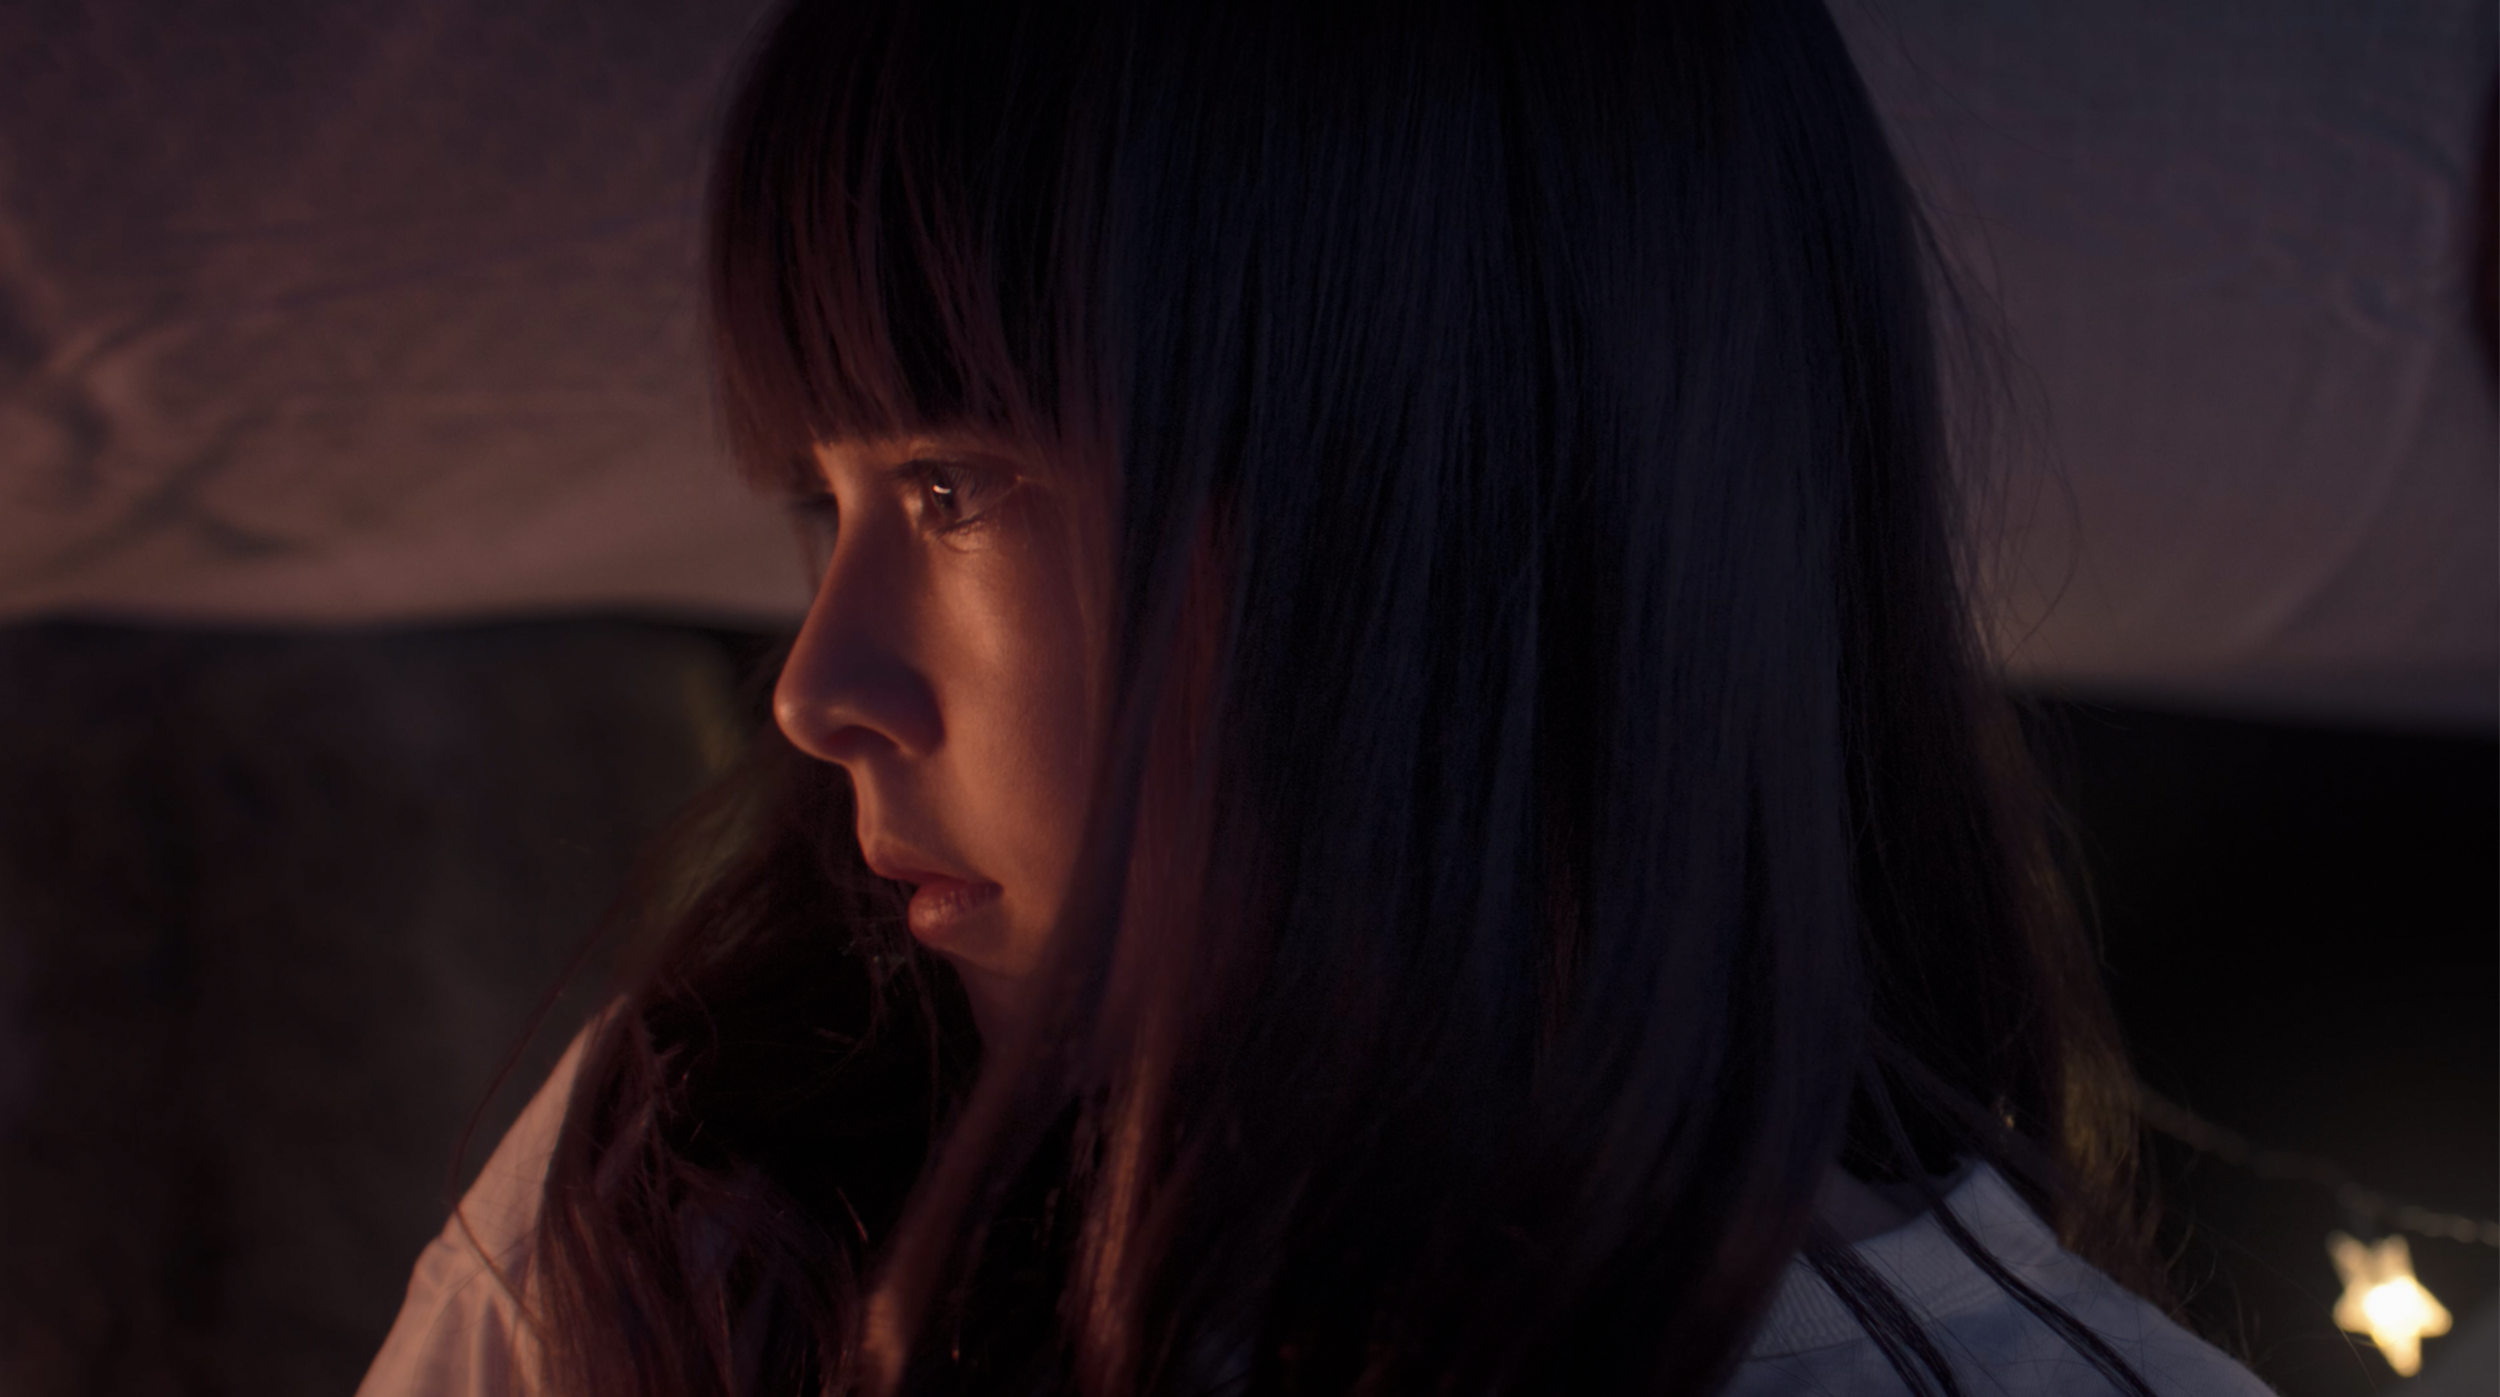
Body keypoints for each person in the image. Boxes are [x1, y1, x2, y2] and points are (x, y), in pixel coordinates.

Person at [360, 1, 2281, 1393]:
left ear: (1451, 488)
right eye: (826, 503)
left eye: (951, 488)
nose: (818, 689)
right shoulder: (704, 1188)